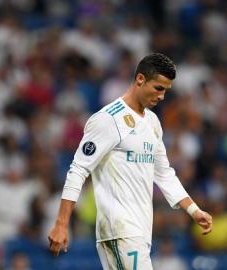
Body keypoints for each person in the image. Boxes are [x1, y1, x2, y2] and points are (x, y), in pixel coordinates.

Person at [48, 53, 213, 269]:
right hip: (120, 229)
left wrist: (193, 210)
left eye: (166, 90)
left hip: (142, 229)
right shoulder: (108, 119)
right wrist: (61, 223)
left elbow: (164, 173)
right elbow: (78, 169)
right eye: (158, 88)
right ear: (140, 80)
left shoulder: (153, 122)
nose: (162, 96)